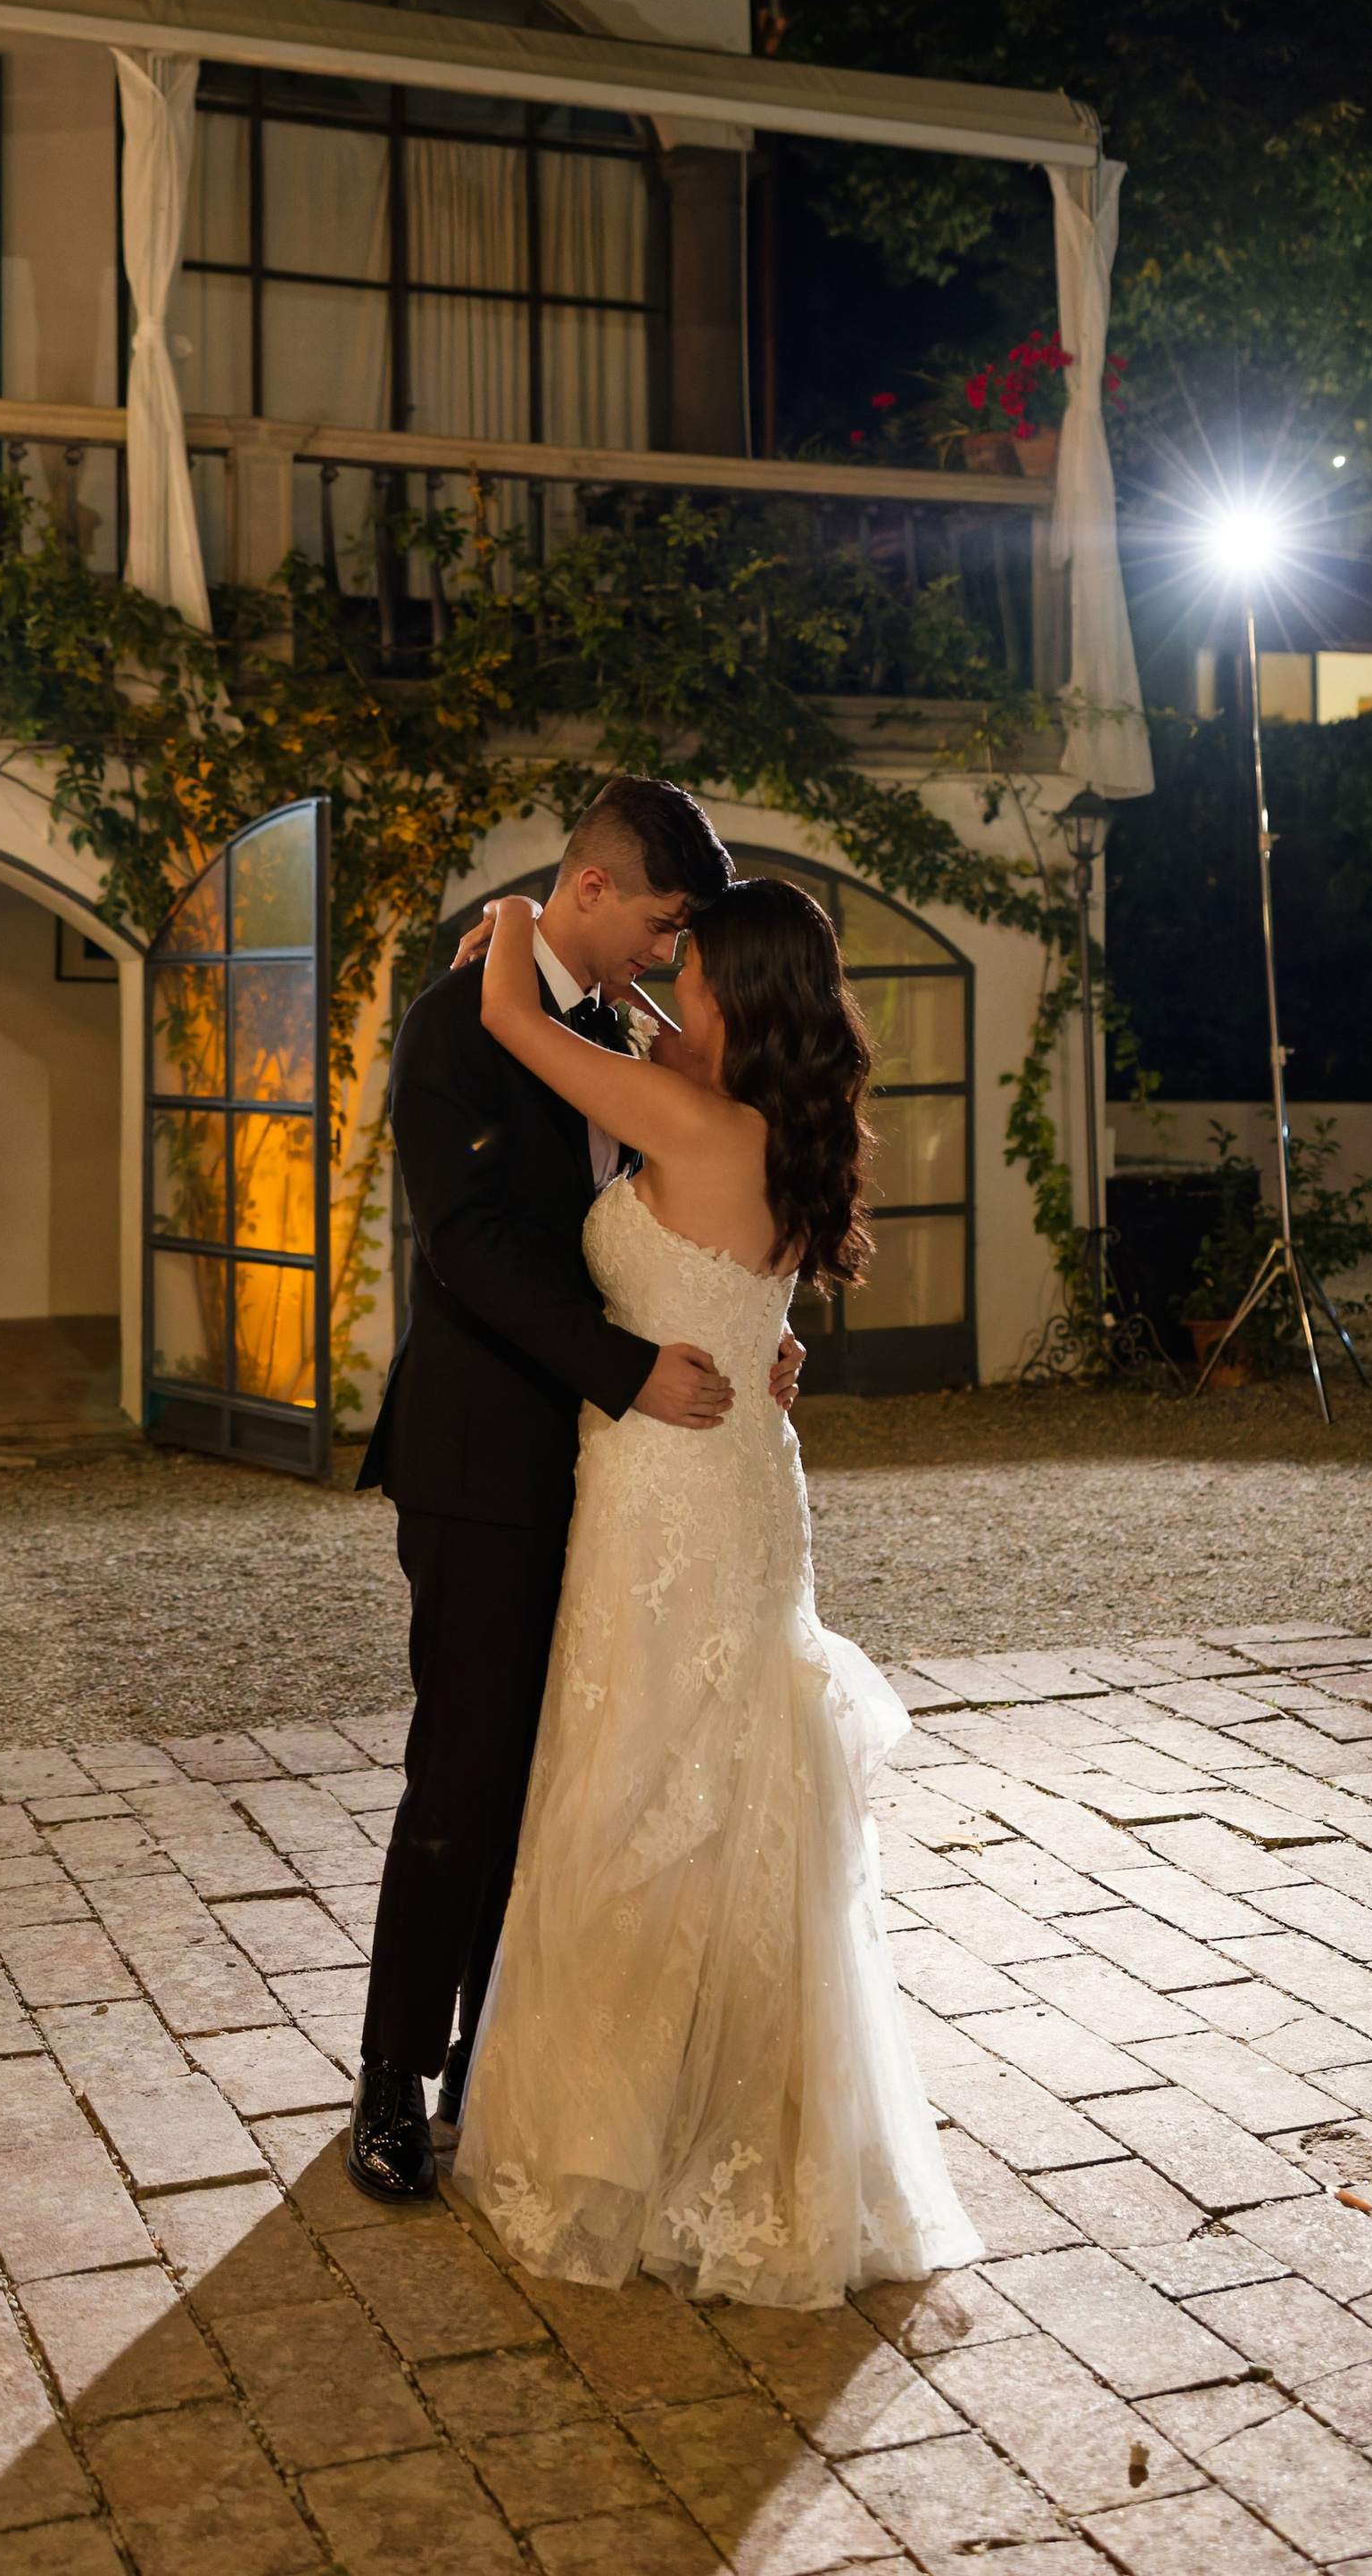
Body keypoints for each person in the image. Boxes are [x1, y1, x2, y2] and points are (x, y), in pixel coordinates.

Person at [451, 874, 980, 2308]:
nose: (670, 989)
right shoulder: (779, 1130)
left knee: (644, 1789)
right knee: (718, 1783)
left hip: (672, 1491)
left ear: (739, 1000)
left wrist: (522, 914)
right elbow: (748, 1296)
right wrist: (767, 1341)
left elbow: (513, 1019)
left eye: (691, 974)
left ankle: (629, 2135)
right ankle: (723, 2119)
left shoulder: (693, 1121)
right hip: (731, 1471)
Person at [349, 777, 804, 2205]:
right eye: (663, 924)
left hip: (629, 1477)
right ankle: (390, 2077)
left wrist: (754, 1328)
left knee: (572, 1786)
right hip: (488, 1456)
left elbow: (709, 1214)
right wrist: (627, 1366)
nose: (671, 954)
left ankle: (504, 2065)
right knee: (467, 1774)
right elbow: (471, 1247)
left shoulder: (631, 1034)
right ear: (592, 888)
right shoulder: (455, 1025)